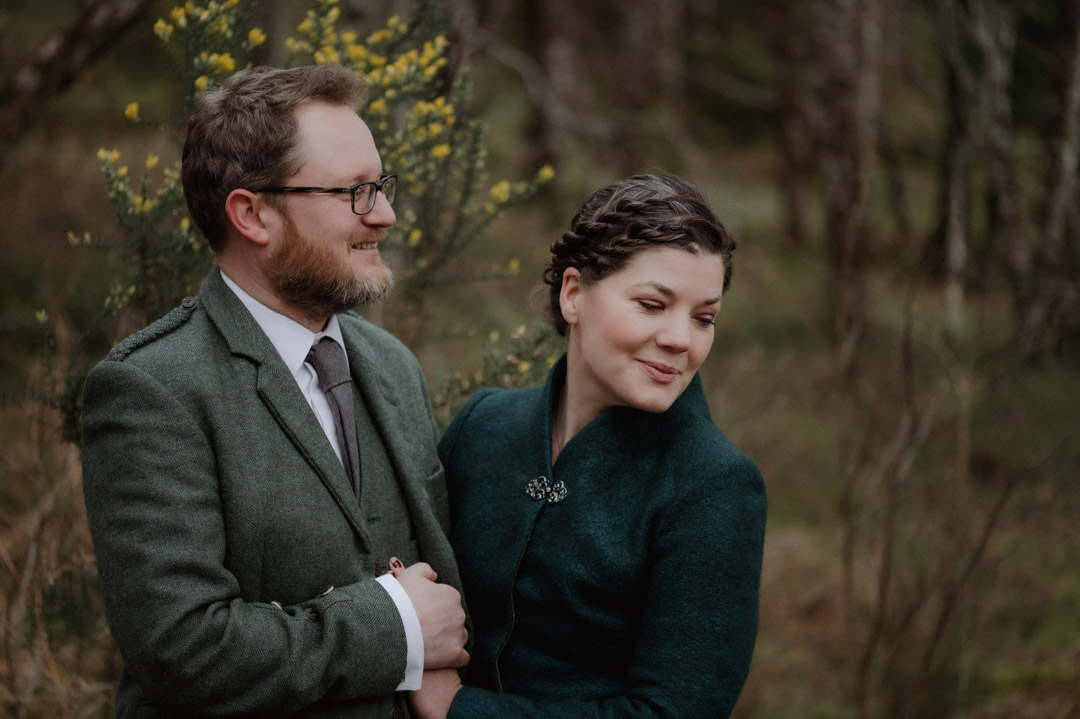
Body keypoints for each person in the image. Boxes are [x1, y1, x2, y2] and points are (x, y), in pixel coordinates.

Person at [80, 64, 469, 718]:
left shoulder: (393, 365)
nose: (386, 213)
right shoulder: (150, 388)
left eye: (381, 184)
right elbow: (184, 648)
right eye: (354, 192)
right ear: (252, 213)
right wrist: (395, 628)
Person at [401, 174, 767, 718]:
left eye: (703, 317)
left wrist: (462, 710)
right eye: (651, 304)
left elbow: (670, 712)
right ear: (573, 294)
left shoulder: (713, 484)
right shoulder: (485, 424)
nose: (681, 339)